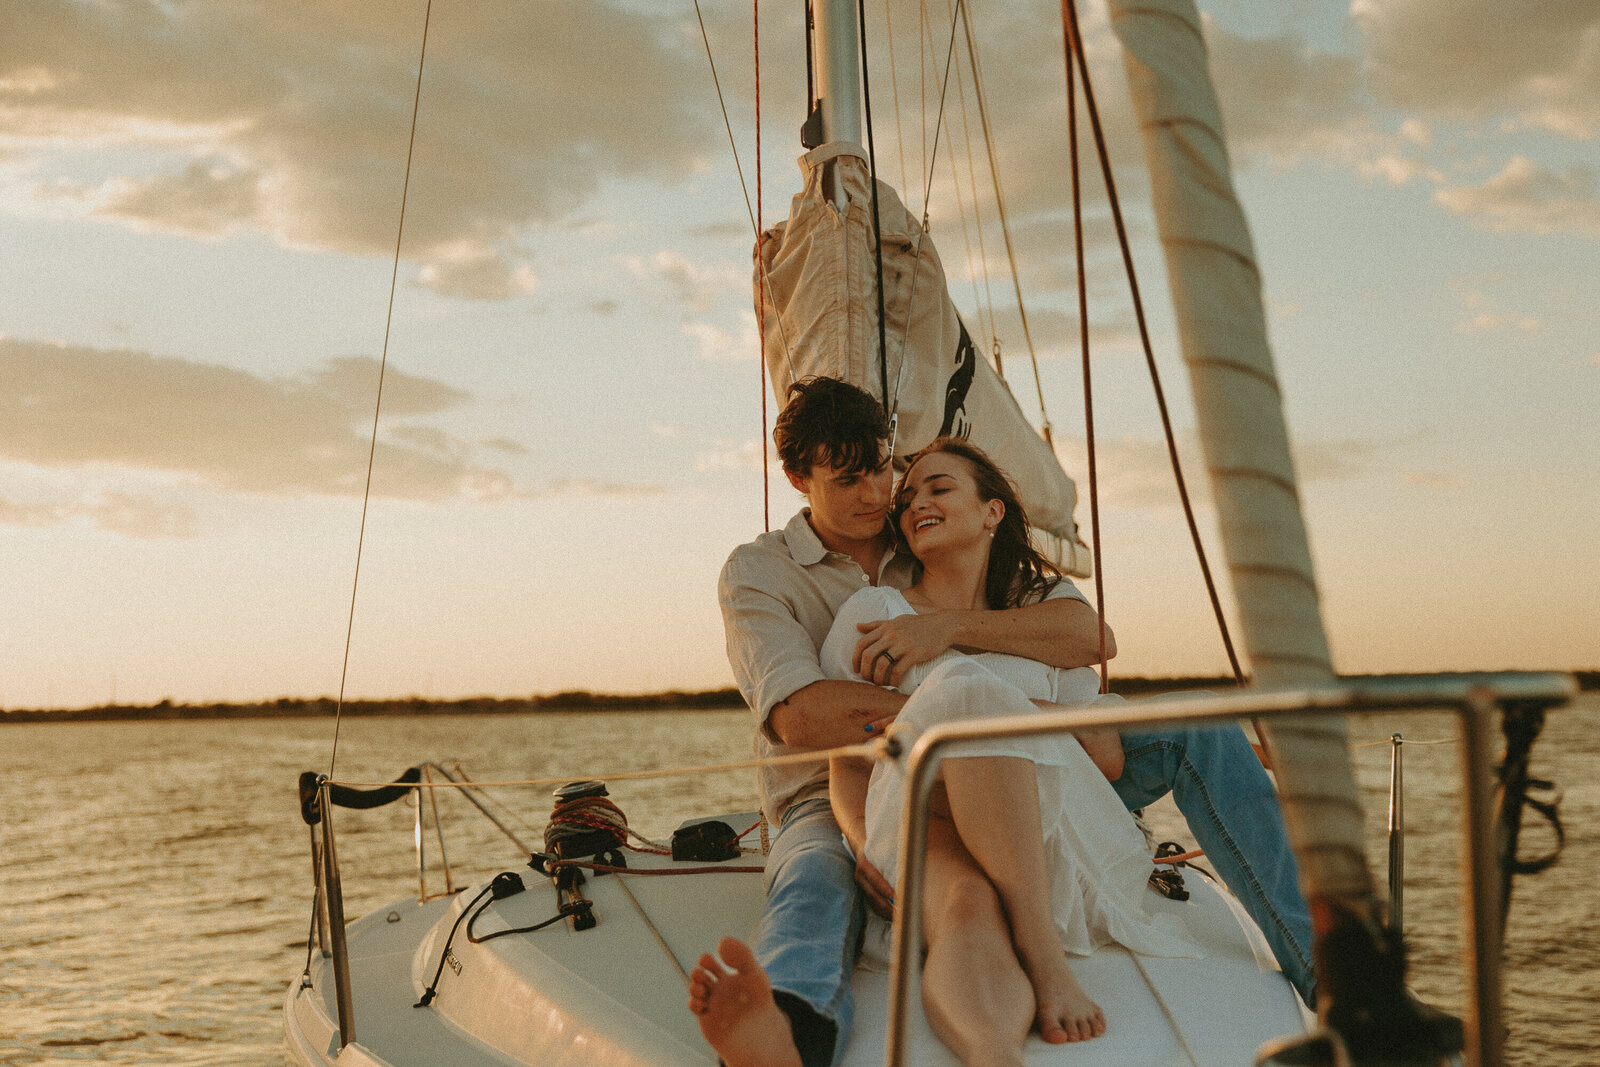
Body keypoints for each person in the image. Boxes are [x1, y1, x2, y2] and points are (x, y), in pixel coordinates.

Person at [696, 378, 1312, 1067]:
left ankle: (1330, 972)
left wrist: (953, 631)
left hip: (1035, 769)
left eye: (884, 469)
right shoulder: (774, 574)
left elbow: (1089, 640)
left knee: (1199, 729)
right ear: (796, 477)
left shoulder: (944, 545)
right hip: (863, 788)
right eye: (850, 479)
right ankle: (791, 1028)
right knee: (822, 882)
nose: (881, 494)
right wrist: (966, 721)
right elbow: (805, 717)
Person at [814, 436, 1199, 1063]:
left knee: (970, 701)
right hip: (919, 817)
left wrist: (1007, 707)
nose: (916, 505)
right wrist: (863, 845)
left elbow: (1103, 759)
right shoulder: (873, 612)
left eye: (939, 488)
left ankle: (1020, 1007)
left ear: (992, 512)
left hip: (1034, 819)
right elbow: (843, 751)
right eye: (908, 497)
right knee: (964, 695)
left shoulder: (1041, 622)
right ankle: (1019, 1007)